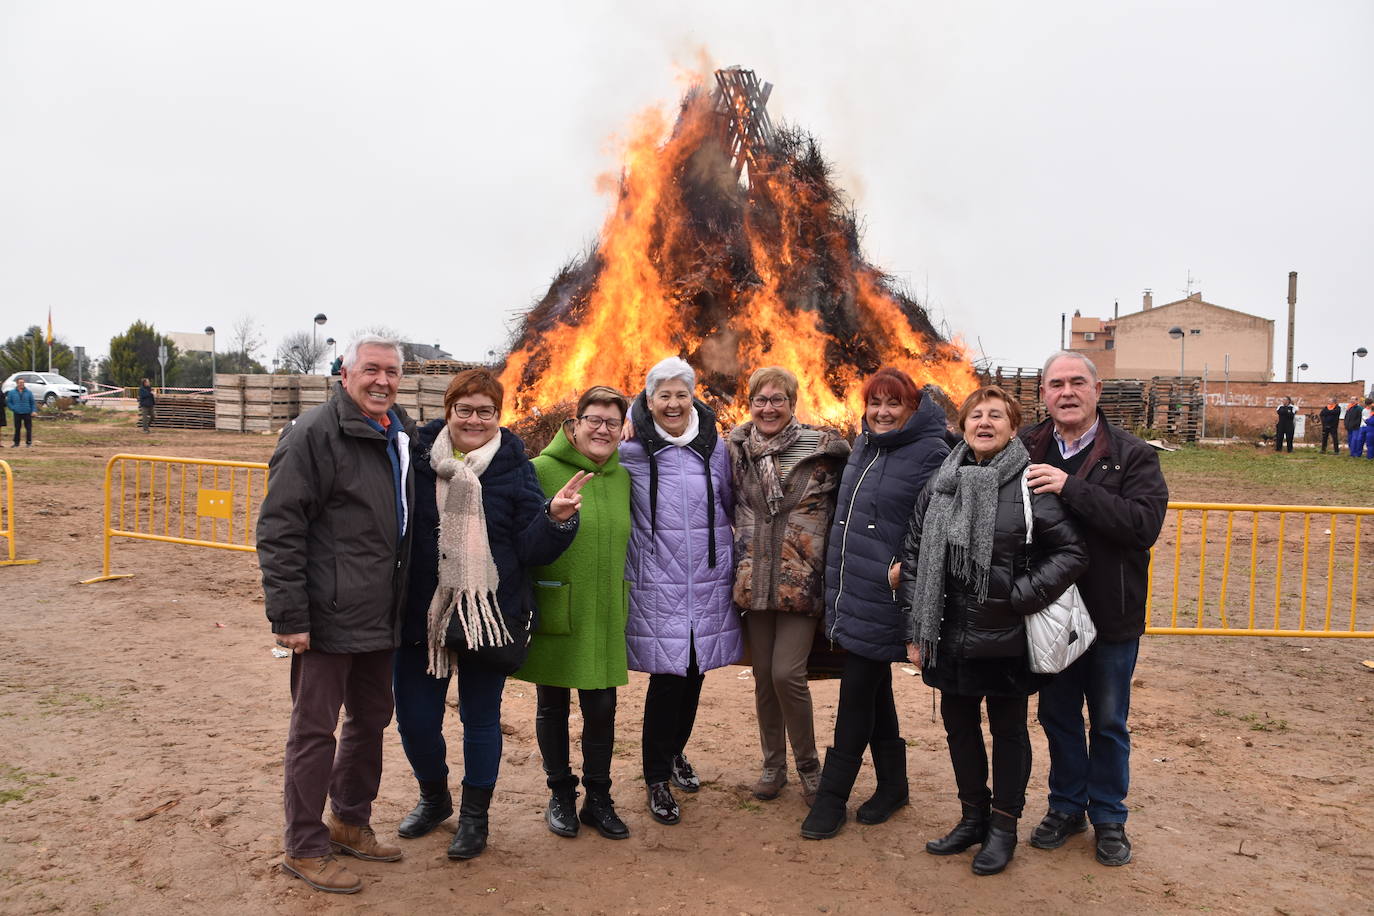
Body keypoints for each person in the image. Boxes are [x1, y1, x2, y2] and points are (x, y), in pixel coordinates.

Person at [392, 369, 582, 861]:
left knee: (480, 720)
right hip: (422, 614)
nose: (475, 420)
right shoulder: (416, 459)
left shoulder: (514, 466)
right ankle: (434, 798)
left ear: (499, 415)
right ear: (449, 410)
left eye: (486, 411)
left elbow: (528, 549)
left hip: (488, 616)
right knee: (415, 721)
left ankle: (476, 819)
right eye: (465, 409)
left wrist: (556, 520)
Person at [899, 386, 1088, 876]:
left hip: (1007, 640)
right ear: (962, 426)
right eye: (975, 416)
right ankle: (972, 818)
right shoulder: (940, 484)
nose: (985, 423)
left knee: (1007, 733)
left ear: (1013, 426)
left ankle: (1003, 827)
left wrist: (1019, 596)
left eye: (996, 416)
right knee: (959, 730)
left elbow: (1071, 553)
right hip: (948, 634)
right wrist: (916, 631)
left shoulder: (1030, 484)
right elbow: (915, 557)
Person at [256, 336, 416, 895]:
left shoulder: (396, 435)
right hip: (325, 617)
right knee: (313, 731)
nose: (383, 381)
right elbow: (280, 528)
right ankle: (303, 846)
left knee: (371, 720)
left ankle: (349, 819)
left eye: (392, 372)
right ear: (344, 373)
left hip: (380, 615)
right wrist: (289, 615)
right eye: (371, 370)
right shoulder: (313, 435)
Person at [1020, 351, 1168, 868]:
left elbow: (1142, 525)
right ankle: (1066, 806)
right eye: (1056, 383)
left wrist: (1072, 489)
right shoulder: (1025, 447)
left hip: (1111, 613)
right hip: (1050, 615)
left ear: (1097, 389)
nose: (1066, 392)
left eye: (1076, 382)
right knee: (1058, 715)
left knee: (1107, 720)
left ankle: (1108, 816)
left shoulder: (1133, 455)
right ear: (1043, 394)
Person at [801, 367, 951, 840]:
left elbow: (936, 526)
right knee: (873, 687)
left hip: (890, 593)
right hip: (855, 589)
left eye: (893, 404)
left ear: (912, 408)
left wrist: (908, 570)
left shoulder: (933, 453)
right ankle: (894, 784)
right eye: (875, 403)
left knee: (856, 691)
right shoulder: (864, 444)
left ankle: (831, 797)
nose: (882, 412)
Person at [620, 356, 741, 826]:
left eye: (681, 394)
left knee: (695, 673)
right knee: (667, 678)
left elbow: (731, 503)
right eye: (663, 395)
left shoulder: (715, 448)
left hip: (708, 580)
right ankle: (655, 777)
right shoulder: (629, 449)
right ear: (648, 401)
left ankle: (674, 753)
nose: (673, 403)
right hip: (658, 581)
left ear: (694, 398)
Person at [512, 386, 634, 841]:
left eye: (612, 422)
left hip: (605, 608)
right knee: (554, 705)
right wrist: (550, 512)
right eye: (593, 420)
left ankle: (598, 799)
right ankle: (560, 793)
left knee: (602, 708)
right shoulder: (540, 470)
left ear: (623, 429)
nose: (602, 429)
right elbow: (521, 534)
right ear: (575, 424)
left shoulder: (624, 477)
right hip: (559, 606)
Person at [728, 367, 850, 804]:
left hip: (801, 583)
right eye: (760, 399)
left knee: (787, 674)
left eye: (777, 399)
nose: (768, 407)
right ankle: (772, 765)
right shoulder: (737, 449)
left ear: (793, 402)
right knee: (763, 677)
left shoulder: (824, 451)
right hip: (754, 581)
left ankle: (809, 766)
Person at [7, 378, 35, 448]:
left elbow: (32, 403)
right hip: (17, 413)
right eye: (20, 382)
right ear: (17, 383)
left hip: (27, 412)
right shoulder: (11, 392)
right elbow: (8, 402)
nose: (22, 384)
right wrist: (13, 408)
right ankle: (16, 443)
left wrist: (33, 411)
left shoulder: (29, 392)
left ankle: (29, 442)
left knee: (28, 428)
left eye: (23, 382)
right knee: (17, 428)